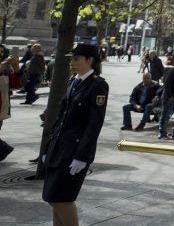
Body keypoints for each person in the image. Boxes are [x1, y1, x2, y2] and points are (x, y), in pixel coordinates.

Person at [42, 43, 108, 226]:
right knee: (53, 199)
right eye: (71, 59)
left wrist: (82, 155)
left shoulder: (97, 86)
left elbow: (94, 124)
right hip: (59, 147)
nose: (72, 62)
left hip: (74, 150)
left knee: (61, 199)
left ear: (90, 61)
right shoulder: (74, 81)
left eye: (76, 59)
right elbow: (61, 118)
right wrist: (48, 147)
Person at [0, 50, 17, 161]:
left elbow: (17, 84)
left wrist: (16, 67)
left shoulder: (6, 69)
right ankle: (4, 149)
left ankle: (4, 149)